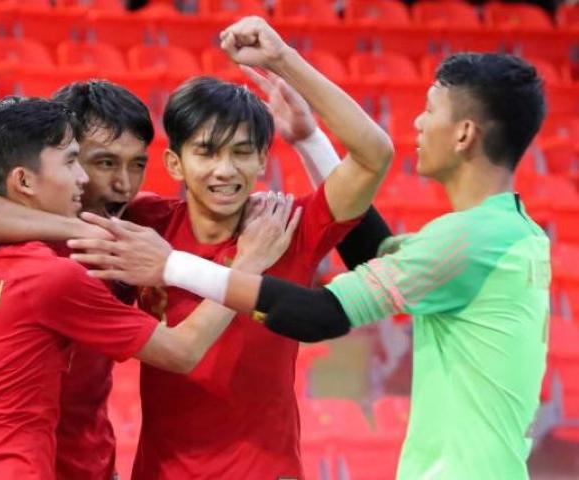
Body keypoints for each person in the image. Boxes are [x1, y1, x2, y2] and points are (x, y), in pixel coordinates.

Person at [77, 19, 551, 480]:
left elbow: (372, 161)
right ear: (174, 163)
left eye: (242, 152)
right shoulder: (144, 223)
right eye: (207, 152)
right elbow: (379, 254)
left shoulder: (288, 228)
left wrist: (284, 60)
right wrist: (307, 139)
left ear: (263, 158)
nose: (225, 169)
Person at [0, 96, 299, 479]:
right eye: (93, 162)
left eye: (137, 164)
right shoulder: (46, 266)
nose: (122, 183)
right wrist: (247, 266)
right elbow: (183, 351)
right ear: (28, 176)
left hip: (56, 464)